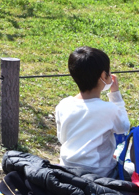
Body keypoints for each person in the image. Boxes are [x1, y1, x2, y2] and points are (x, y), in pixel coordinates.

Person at [55, 46, 130, 177]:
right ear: (103, 76)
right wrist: (115, 95)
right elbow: (124, 127)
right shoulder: (109, 109)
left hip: (67, 169)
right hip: (99, 172)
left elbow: (62, 138)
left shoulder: (63, 105)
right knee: (131, 167)